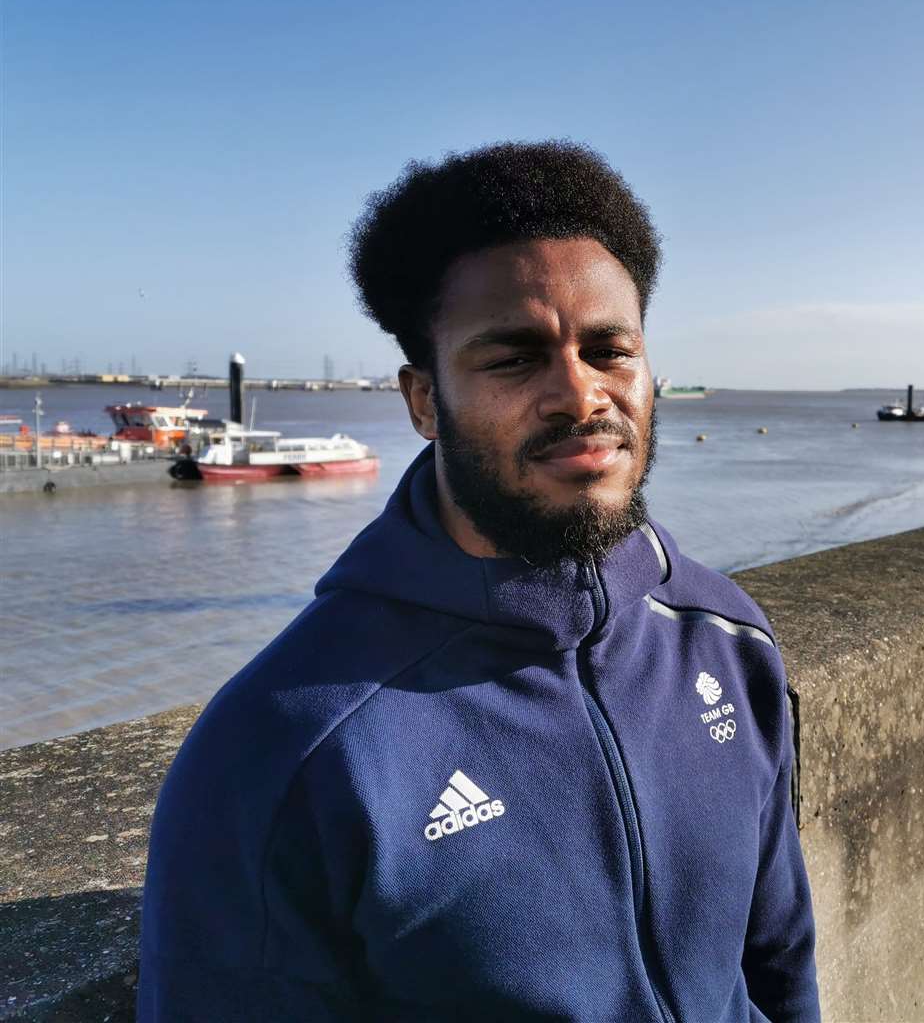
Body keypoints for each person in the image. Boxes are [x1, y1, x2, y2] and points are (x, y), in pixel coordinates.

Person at [139, 140, 820, 1021]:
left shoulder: (727, 639)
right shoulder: (289, 750)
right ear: (423, 401)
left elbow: (779, 960)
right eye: (513, 357)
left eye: (610, 349)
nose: (580, 395)